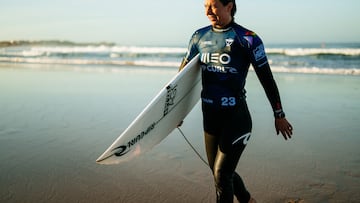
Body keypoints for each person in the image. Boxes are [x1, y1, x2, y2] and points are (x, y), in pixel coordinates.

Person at [178, 0, 293, 202]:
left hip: (236, 117)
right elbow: (183, 76)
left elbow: (266, 78)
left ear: (229, 6)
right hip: (210, 117)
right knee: (219, 172)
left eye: (213, 5)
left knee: (221, 174)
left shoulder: (248, 39)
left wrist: (279, 114)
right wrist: (174, 112)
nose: (207, 11)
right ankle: (248, 200)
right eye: (205, 6)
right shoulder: (199, 36)